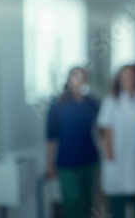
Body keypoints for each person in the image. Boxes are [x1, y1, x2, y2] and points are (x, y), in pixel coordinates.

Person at [97, 65, 135, 218]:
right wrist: (110, 159)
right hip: (118, 162)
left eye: (132, 76)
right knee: (117, 209)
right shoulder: (111, 102)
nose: (129, 80)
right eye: (125, 76)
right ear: (119, 80)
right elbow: (106, 132)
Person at [45, 67, 99, 218]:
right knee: (72, 201)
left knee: (87, 201)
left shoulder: (93, 104)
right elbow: (51, 136)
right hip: (67, 161)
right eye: (75, 77)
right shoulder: (57, 105)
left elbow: (102, 129)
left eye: (83, 77)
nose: (79, 80)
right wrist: (49, 163)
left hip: (89, 159)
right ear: (69, 79)